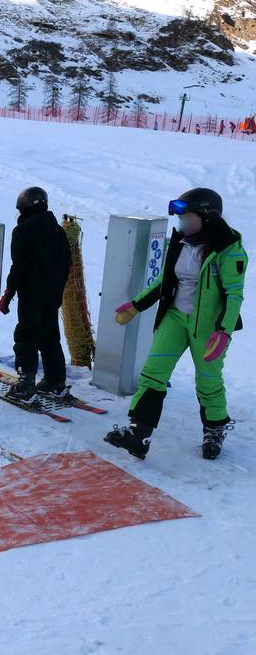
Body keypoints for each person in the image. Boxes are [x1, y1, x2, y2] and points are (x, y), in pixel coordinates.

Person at [105, 188, 247, 461]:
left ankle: (214, 429)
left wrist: (224, 332)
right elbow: (165, 281)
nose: (181, 222)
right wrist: (136, 305)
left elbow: (234, 294)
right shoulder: (181, 242)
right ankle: (138, 434)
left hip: (207, 326)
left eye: (186, 216)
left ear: (207, 217)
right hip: (175, 317)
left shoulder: (229, 249)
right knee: (153, 373)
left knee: (208, 380)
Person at [0, 186, 72, 401]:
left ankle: (26, 385)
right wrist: (57, 292)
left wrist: (9, 292)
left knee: (26, 336)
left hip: (31, 295)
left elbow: (19, 266)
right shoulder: (58, 231)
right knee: (50, 337)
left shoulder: (23, 231)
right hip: (53, 295)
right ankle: (55, 382)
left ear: (24, 208)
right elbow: (66, 265)